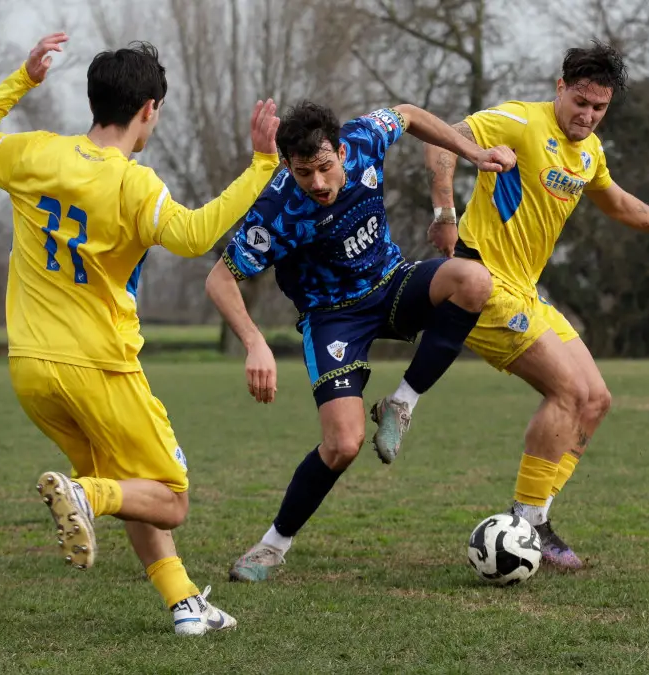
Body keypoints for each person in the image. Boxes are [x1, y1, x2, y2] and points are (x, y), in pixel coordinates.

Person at [0, 33, 283, 634]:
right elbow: (194, 235)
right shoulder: (133, 184)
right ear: (149, 108)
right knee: (168, 498)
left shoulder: (35, 155)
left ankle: (184, 606)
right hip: (98, 367)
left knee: (129, 484)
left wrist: (22, 80)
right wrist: (261, 164)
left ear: (94, 100)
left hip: (30, 368)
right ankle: (85, 498)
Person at [424, 41, 649, 570]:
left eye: (599, 108)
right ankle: (523, 522)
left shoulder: (590, 153)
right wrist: (444, 210)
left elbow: (617, 202)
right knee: (567, 392)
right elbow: (441, 141)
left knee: (596, 400)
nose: (587, 116)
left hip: (526, 290)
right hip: (483, 286)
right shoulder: (521, 121)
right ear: (560, 88)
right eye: (581, 102)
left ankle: (534, 518)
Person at [206, 100, 516, 582]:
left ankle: (401, 403)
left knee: (473, 281)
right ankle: (272, 546)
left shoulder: (365, 138)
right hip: (333, 319)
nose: (319, 183)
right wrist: (254, 344)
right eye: (305, 172)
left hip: (391, 283)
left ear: (342, 152)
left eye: (326, 167)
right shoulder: (277, 211)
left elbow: (409, 113)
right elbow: (219, 280)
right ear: (287, 165)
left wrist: (473, 153)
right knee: (344, 443)